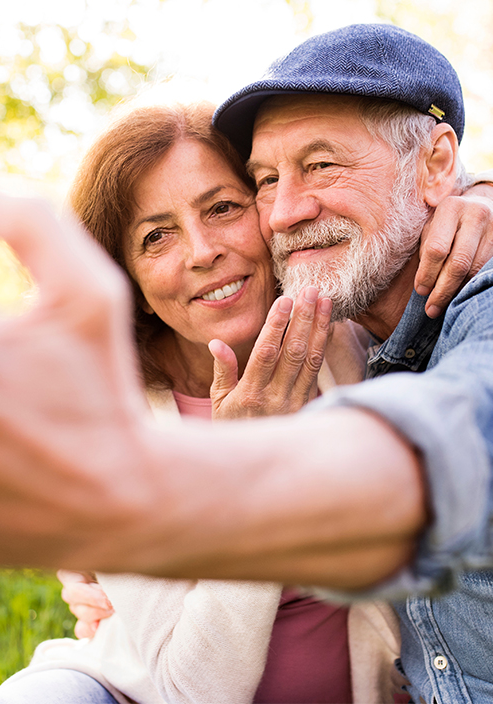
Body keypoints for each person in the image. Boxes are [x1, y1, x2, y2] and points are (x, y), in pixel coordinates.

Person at [0, 99, 399, 704]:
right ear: (130, 282)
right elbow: (195, 691)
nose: (201, 251)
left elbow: (422, 196)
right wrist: (250, 466)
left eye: (222, 208)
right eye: (156, 236)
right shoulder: (108, 422)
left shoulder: (351, 336)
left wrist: (481, 197)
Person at [210, 22, 493, 703]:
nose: (282, 212)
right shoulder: (346, 338)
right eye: (264, 179)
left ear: (432, 166)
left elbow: (469, 407)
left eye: (321, 165)